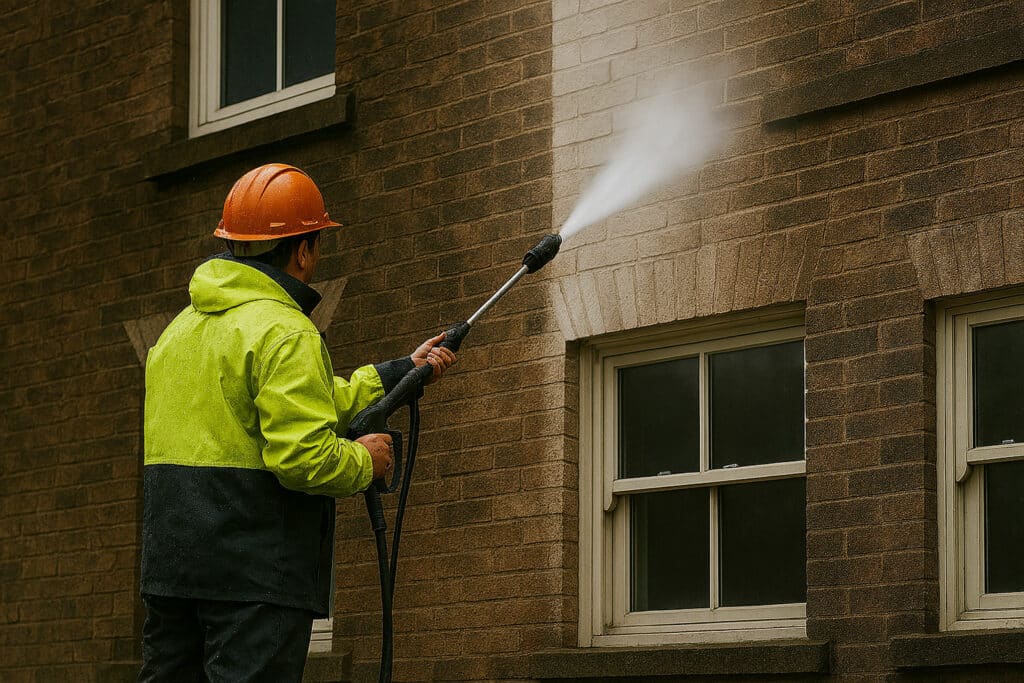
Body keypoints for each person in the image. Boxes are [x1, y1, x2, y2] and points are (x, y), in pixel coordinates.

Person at [138, 163, 456, 682]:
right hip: (256, 576)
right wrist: (365, 460)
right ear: (303, 250)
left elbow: (307, 403)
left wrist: (403, 371)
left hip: (173, 573)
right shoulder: (287, 331)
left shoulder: (178, 333)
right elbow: (302, 458)